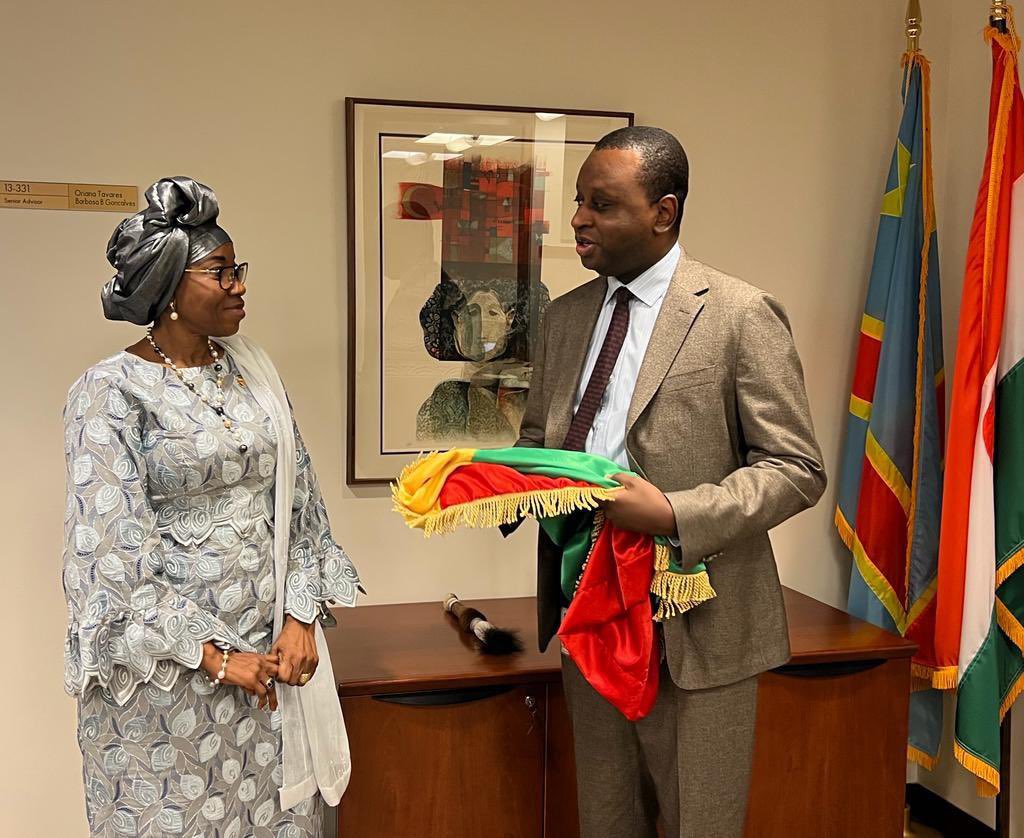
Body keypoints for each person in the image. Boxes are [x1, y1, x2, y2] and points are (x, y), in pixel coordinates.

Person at [515, 127, 826, 837]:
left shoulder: (739, 315)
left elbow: (797, 469)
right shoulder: (564, 319)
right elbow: (541, 440)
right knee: (608, 819)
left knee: (698, 824)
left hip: (699, 625)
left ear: (663, 211)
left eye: (602, 204)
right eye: (577, 202)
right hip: (588, 614)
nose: (578, 220)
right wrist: (504, 480)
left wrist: (674, 513)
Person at [62, 177, 361, 836]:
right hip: (167, 685)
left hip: (270, 672)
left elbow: (302, 506)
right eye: (220, 272)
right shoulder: (109, 395)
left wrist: (298, 619)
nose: (238, 285)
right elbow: (106, 562)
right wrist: (218, 658)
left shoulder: (253, 372)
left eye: (238, 269)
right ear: (168, 289)